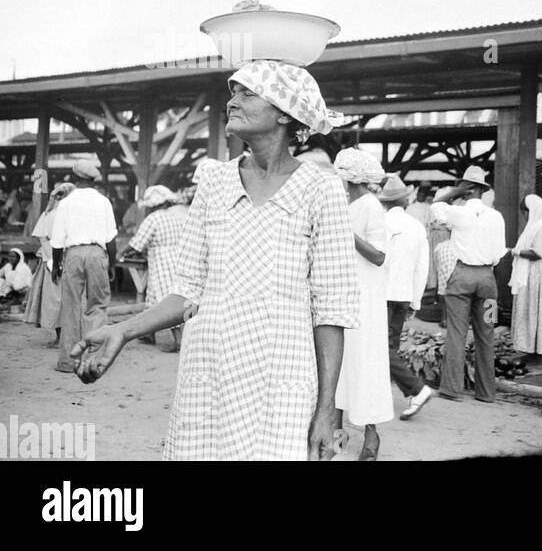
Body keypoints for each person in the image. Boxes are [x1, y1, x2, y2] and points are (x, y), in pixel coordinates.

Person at [70, 59, 359, 461]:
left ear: (282, 114)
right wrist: (123, 331)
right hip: (209, 370)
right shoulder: (213, 183)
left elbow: (331, 307)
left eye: (246, 93)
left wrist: (327, 409)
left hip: (283, 376)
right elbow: (187, 290)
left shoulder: (321, 190)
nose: (231, 102)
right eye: (232, 92)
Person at [333, 147, 395, 460]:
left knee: (365, 362)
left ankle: (372, 434)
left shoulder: (371, 206)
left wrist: (348, 234)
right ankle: (335, 432)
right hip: (342, 292)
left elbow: (380, 255)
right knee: (338, 362)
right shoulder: (344, 204)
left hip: (366, 297)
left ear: (350, 177)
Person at [429, 165, 507, 403]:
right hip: (488, 281)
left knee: (456, 332)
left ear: (468, 188)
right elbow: (499, 253)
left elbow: (435, 207)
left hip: (461, 276)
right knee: (487, 333)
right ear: (483, 190)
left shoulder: (458, 212)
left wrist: (454, 191)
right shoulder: (496, 216)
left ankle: (452, 389)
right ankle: (486, 392)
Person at [51, 160, 118, 374]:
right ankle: (94, 360)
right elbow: (111, 238)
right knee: (97, 305)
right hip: (97, 253)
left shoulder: (66, 203)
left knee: (70, 306)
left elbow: (57, 240)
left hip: (73, 253)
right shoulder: (104, 202)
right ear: (93, 180)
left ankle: (68, 362)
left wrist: (56, 265)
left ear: (75, 178)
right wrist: (112, 263)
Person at [377, 176, 435, 420]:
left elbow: (379, 259)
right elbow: (422, 267)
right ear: (406, 199)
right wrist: (416, 301)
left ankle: (417, 389)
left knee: (379, 348)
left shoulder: (382, 223)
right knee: (388, 346)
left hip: (381, 293)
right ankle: (385, 395)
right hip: (402, 295)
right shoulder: (416, 226)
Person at [122, 185, 189, 352]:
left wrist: (120, 253)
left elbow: (137, 244)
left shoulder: (153, 218)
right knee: (168, 297)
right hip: (177, 259)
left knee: (163, 299)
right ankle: (154, 335)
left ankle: (173, 341)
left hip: (161, 261)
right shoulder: (176, 216)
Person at [23, 182, 75, 346]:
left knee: (64, 299)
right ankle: (61, 336)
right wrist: (51, 259)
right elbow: (44, 238)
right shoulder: (51, 214)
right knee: (56, 299)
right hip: (55, 258)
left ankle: (67, 336)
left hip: (67, 257)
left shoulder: (69, 212)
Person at [511, 194, 542, 359]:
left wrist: (515, 251)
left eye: (524, 212)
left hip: (538, 272)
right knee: (532, 308)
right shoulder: (536, 225)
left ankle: (540, 350)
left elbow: (538, 253)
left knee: (537, 308)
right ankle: (532, 349)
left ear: (530, 211)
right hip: (532, 272)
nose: (524, 216)